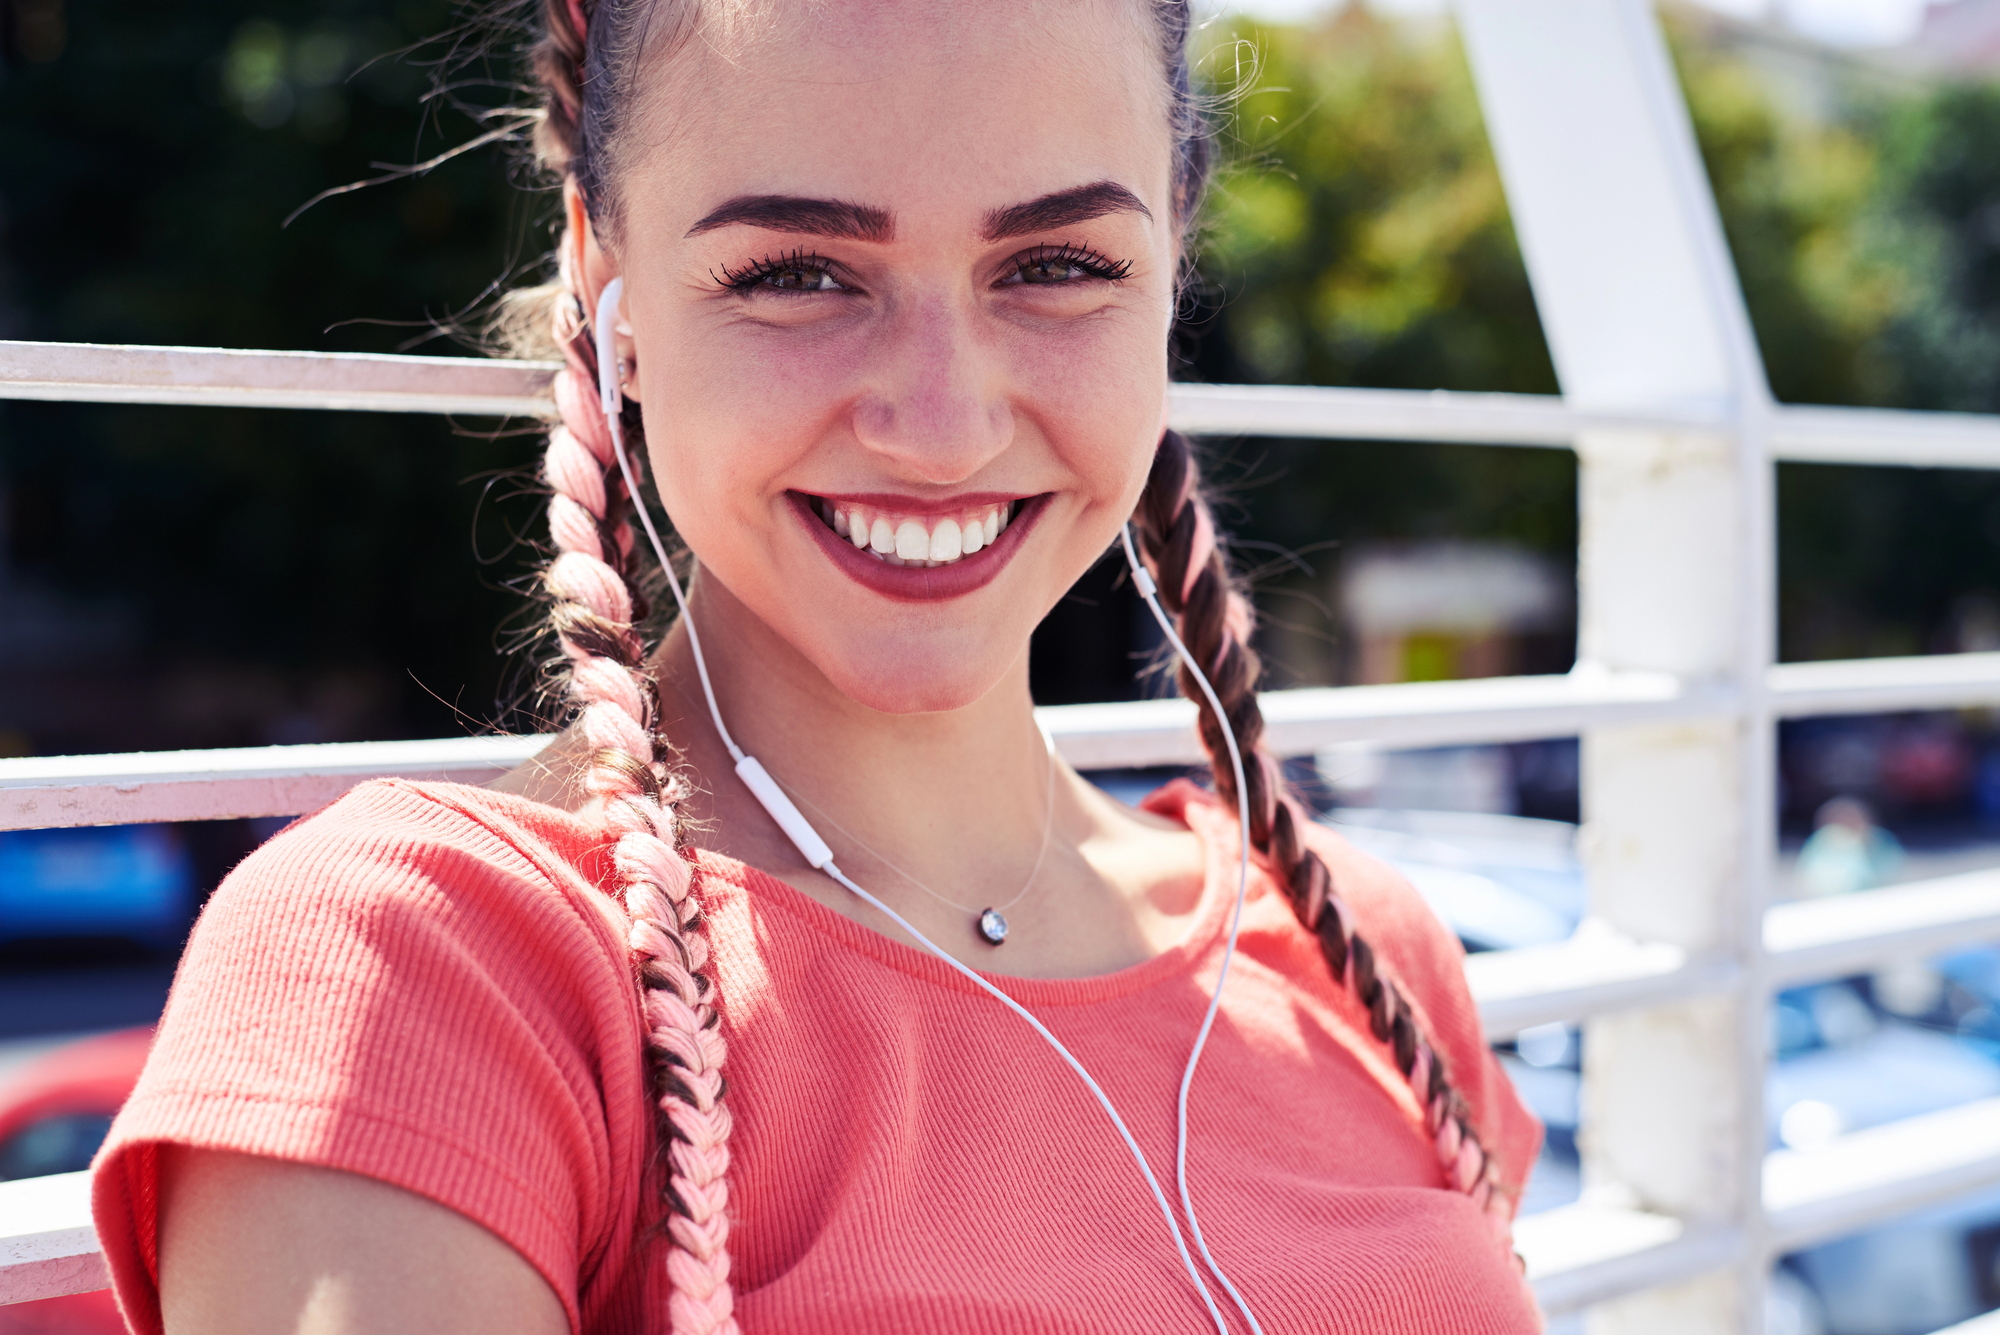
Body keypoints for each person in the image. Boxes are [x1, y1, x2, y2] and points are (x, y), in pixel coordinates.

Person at [88, 2, 1542, 1331]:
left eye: (1057, 266)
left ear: (1173, 252)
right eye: (796, 272)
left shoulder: (1363, 953)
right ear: (610, 282)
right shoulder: (435, 970)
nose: (941, 423)